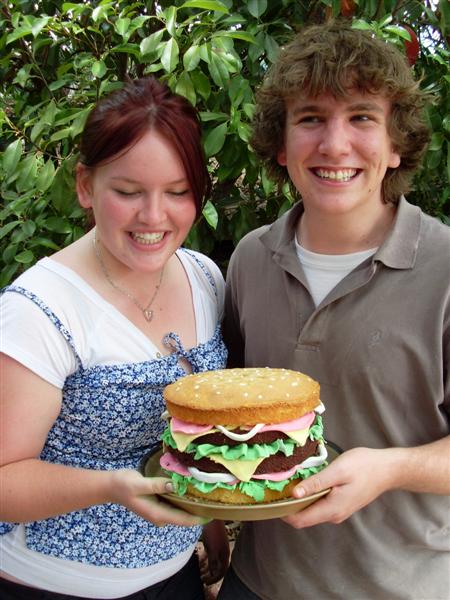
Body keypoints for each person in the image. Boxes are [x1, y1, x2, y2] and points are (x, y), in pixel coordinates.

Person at [219, 21, 450, 600]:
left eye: (362, 117)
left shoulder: (445, 267)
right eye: (311, 118)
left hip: (401, 587)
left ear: (397, 144)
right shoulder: (251, 259)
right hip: (258, 582)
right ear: (281, 142)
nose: (335, 145)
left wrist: (391, 469)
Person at [0, 76, 230, 600]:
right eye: (128, 192)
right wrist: (110, 487)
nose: (154, 217)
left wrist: (210, 517)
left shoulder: (202, 276)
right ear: (86, 186)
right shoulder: (39, 309)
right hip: (52, 586)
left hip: (174, 576)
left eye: (178, 192)